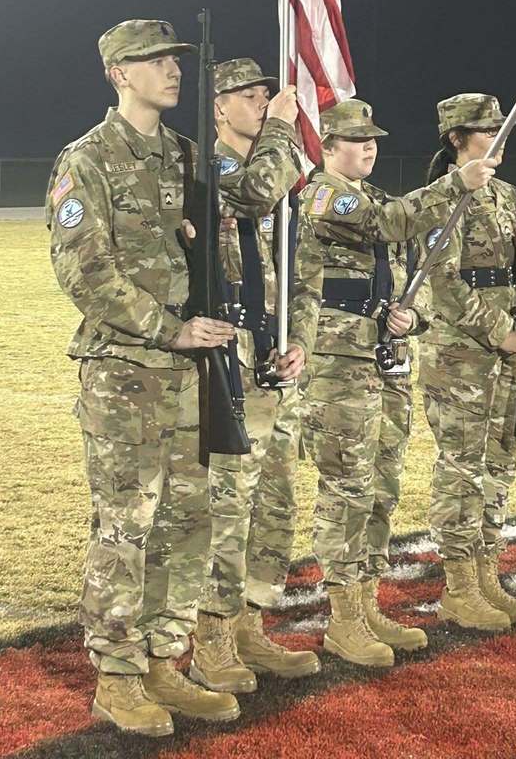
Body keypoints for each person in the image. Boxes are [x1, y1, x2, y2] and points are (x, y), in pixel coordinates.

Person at [45, 19, 254, 736]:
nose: (172, 71)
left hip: (191, 370)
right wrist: (168, 327)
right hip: (125, 371)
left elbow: (225, 255)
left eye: (175, 60)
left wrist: (213, 256)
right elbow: (84, 270)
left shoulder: (189, 156)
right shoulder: (90, 158)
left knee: (187, 522)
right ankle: (119, 675)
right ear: (118, 74)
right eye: (154, 61)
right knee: (127, 524)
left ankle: (167, 658)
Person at [298, 99, 499, 667]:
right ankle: (342, 618)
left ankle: (367, 603)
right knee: (347, 487)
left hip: (384, 357)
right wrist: (455, 184)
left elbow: (407, 265)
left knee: (382, 484)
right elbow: (388, 225)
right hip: (339, 362)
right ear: (327, 147)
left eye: (373, 140)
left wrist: (412, 316)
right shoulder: (323, 195)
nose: (369, 148)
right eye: (356, 140)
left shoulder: (376, 195)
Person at [190, 59, 322, 690]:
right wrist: (280, 132)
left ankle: (250, 625)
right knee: (227, 505)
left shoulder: (283, 179)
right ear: (218, 107)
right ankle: (210, 639)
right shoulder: (206, 170)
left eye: (266, 94)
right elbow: (250, 194)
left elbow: (305, 271)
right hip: (229, 369)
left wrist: (302, 336)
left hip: (275, 366)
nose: (265, 102)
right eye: (247, 96)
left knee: (275, 502)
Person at [419, 93, 516, 633]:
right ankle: (459, 586)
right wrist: (500, 332)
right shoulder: (441, 199)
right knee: (461, 467)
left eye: (502, 128)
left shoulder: (508, 196)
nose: (498, 138)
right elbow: (442, 286)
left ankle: (487, 574)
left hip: (507, 346)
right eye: (488, 131)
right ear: (455, 139)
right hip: (459, 352)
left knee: (498, 463)